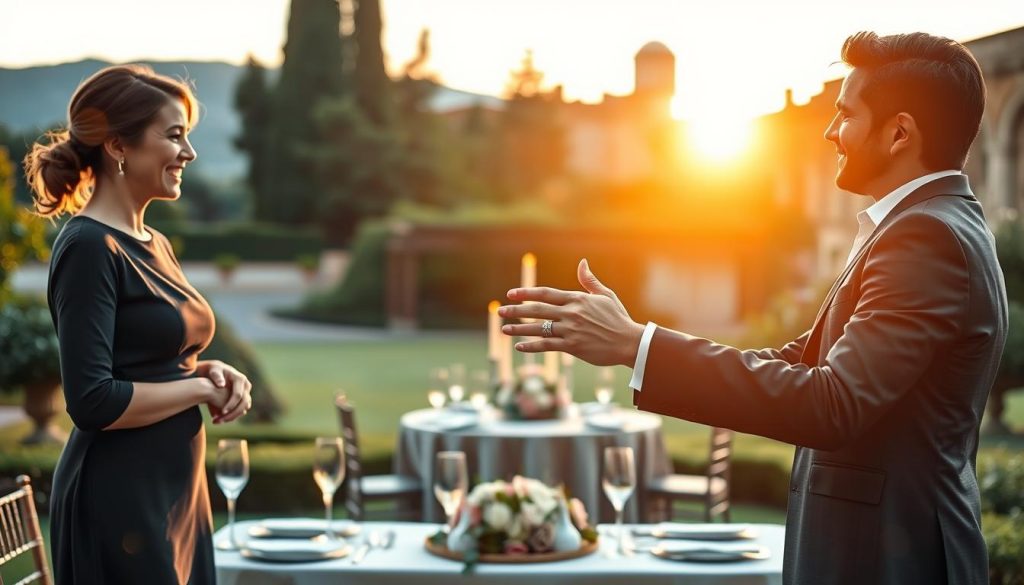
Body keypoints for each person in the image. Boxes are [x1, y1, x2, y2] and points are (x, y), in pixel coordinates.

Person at [499, 31, 1007, 585]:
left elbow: (831, 404)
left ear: (899, 133)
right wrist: (638, 343)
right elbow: (801, 363)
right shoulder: (926, 225)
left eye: (844, 115)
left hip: (891, 560)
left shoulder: (924, 238)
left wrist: (634, 344)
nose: (830, 132)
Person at [24, 64, 253, 584]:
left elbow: (153, 359)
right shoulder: (88, 248)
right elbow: (92, 400)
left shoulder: (155, 242)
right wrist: (197, 388)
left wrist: (212, 371)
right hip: (118, 500)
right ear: (119, 146)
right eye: (174, 136)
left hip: (175, 492)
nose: (189, 153)